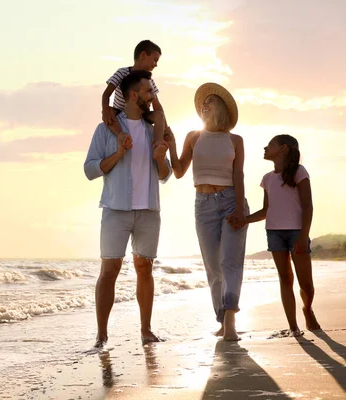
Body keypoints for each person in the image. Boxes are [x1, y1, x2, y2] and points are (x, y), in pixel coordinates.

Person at [84, 70, 172, 348]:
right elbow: (89, 169)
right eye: (149, 92)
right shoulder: (106, 129)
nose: (153, 99)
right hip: (115, 209)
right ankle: (101, 335)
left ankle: (146, 330)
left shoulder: (155, 130)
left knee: (144, 268)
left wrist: (161, 158)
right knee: (109, 270)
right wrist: (118, 154)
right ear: (134, 95)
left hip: (148, 210)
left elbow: (165, 175)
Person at [165, 82, 248, 341]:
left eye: (210, 101)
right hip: (203, 204)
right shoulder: (194, 136)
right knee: (213, 267)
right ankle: (222, 319)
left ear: (221, 107)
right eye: (203, 102)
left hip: (231, 200)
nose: (205, 104)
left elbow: (238, 174)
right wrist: (171, 144)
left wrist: (239, 208)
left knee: (230, 262)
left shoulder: (235, 140)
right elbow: (178, 172)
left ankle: (231, 321)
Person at [246, 134, 321, 336]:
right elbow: (265, 211)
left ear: (283, 149)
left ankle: (307, 308)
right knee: (285, 279)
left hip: (297, 232)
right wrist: (244, 220)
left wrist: (303, 236)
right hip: (274, 233)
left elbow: (308, 206)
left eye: (269, 145)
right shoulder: (267, 179)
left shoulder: (299, 172)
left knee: (306, 284)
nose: (265, 147)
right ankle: (293, 327)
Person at [101, 40, 167, 153]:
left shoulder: (149, 80)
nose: (156, 64)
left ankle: (158, 145)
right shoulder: (122, 72)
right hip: (120, 111)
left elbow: (157, 105)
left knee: (159, 114)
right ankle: (121, 135)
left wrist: (165, 127)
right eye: (155, 60)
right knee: (109, 111)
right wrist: (105, 110)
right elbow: (106, 94)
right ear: (143, 55)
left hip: (142, 113)